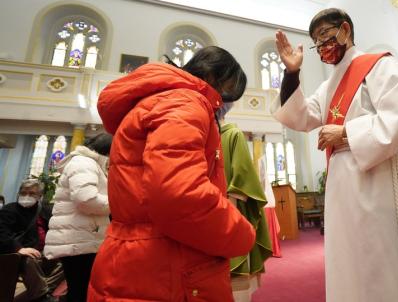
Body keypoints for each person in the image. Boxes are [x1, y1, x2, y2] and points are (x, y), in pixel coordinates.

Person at [272, 8, 398, 301]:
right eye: (317, 41)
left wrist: (346, 132)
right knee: (349, 257)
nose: (323, 45)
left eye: (326, 35)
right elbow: (300, 117)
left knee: (379, 254)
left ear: (346, 30)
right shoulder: (329, 85)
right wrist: (292, 73)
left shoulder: (378, 65)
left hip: (376, 175)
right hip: (342, 182)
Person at [89, 46, 256, 302]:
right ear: (214, 78)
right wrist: (240, 235)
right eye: (230, 91)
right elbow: (179, 195)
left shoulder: (160, 100)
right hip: (168, 264)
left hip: (142, 255)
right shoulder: (184, 102)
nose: (226, 103)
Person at [43, 133, 112, 302]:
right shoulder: (83, 162)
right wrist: (119, 203)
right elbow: (86, 199)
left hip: (82, 238)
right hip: (79, 240)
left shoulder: (89, 163)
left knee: (82, 289)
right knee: (80, 291)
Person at [217, 103, 272, 275]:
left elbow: (242, 180)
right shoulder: (203, 135)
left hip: (228, 212)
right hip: (209, 212)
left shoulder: (233, 134)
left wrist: (229, 218)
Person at [0, 179, 65, 302]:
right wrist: (19, 248)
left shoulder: (45, 211)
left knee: (68, 258)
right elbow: (2, 233)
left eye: (31, 193)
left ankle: (42, 292)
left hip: (44, 252)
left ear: (39, 196)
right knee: (28, 258)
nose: (26, 196)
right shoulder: (9, 209)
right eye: (24, 192)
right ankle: (42, 295)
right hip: (17, 253)